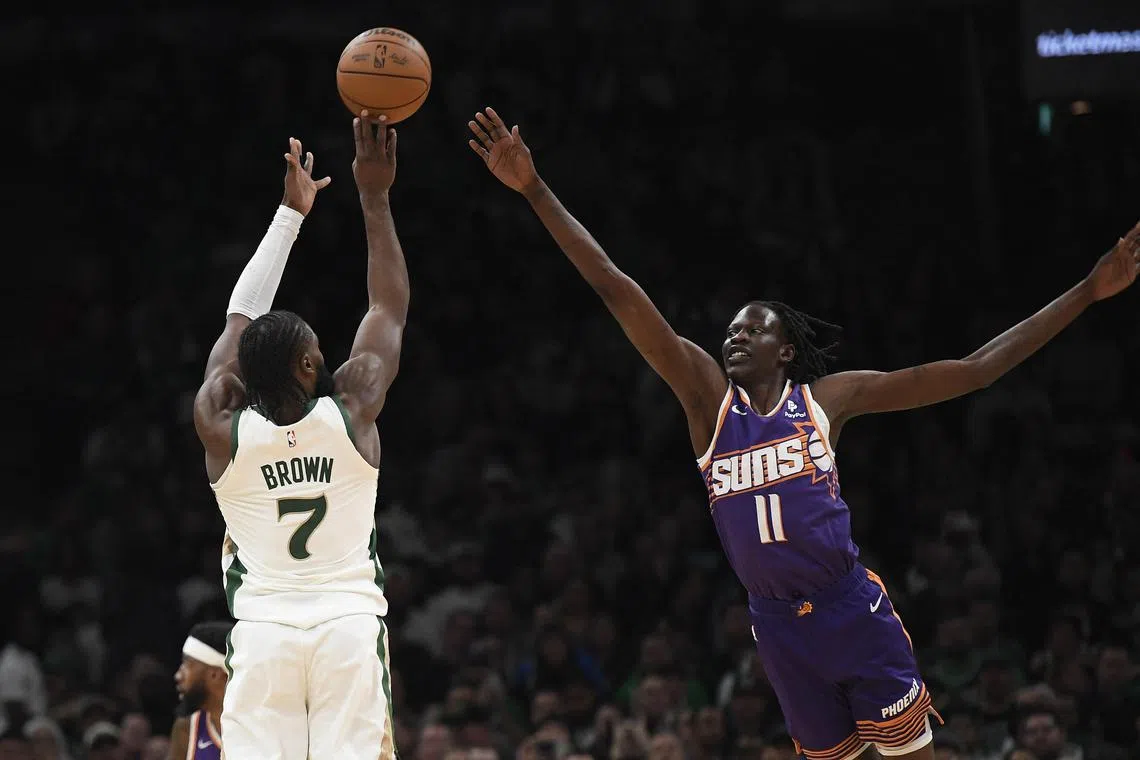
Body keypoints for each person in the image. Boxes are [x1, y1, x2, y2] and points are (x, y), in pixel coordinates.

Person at [466, 105, 1140, 760]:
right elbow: (616, 288)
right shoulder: (707, 403)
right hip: (778, 626)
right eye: (730, 327)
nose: (735, 333)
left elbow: (974, 371)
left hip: (850, 608)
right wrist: (535, 189)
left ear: (785, 349)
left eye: (752, 327)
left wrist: (1087, 289)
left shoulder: (826, 401)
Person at [192, 112, 409, 760]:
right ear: (312, 366)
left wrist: (290, 217)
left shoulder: (222, 427)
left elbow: (240, 317)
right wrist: (374, 196)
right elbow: (386, 309)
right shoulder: (353, 409)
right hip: (346, 626)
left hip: (262, 634)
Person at [170, 621, 234, 760]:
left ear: (215, 674)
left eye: (187, 665)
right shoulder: (187, 728)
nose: (178, 675)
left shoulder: (260, 724)